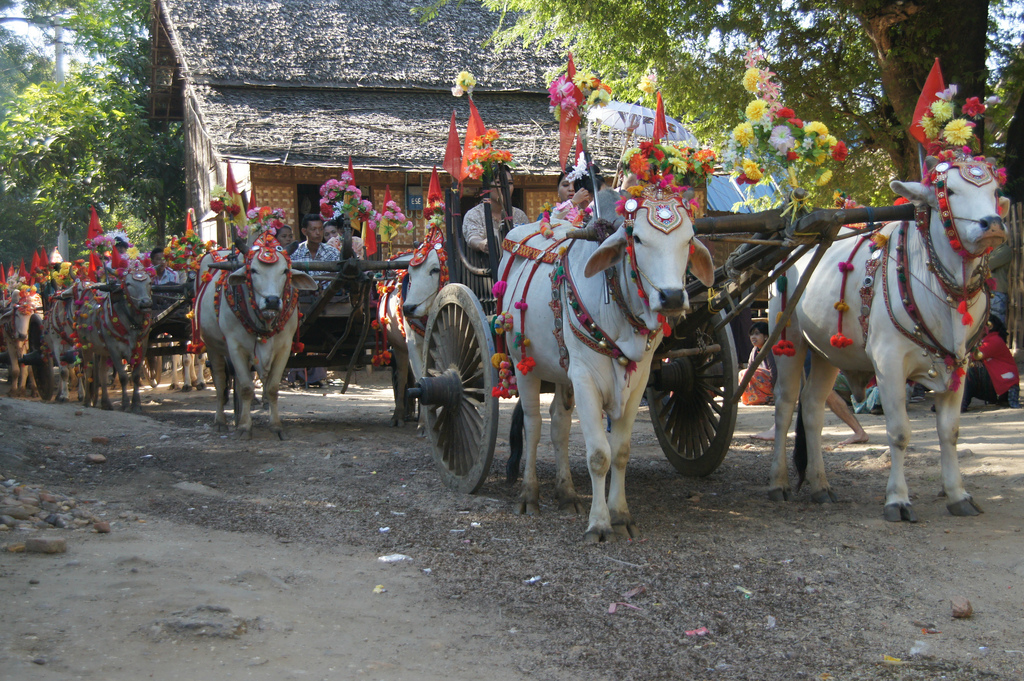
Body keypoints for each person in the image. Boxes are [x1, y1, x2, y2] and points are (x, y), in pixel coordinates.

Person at [751, 350, 868, 445]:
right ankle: (776, 428)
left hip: (812, 342)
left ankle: (859, 431)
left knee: (824, 390)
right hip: (815, 342)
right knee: (813, 387)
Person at [463, 167, 529, 253]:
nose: (504, 187)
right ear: (487, 187)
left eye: (509, 183)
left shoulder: (519, 215)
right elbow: (473, 237)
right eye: (498, 182)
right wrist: (481, 244)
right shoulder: (475, 214)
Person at [962, 315, 1021, 411]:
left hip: (1003, 385)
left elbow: (973, 356)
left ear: (989, 327)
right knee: (971, 367)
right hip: (998, 383)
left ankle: (961, 404)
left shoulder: (994, 340)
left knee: (970, 371)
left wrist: (976, 360)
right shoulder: (989, 339)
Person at [741, 322, 776, 405]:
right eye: (751, 334)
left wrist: (776, 391)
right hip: (762, 383)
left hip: (774, 383)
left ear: (766, 336)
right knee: (743, 373)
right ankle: (759, 398)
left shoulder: (769, 349)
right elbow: (750, 369)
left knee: (753, 373)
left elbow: (774, 372)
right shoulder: (754, 350)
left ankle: (770, 396)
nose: (753, 337)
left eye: (757, 334)